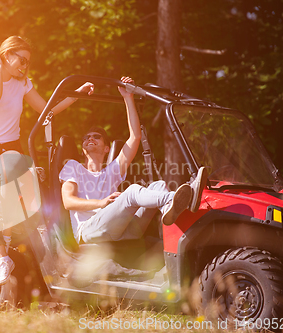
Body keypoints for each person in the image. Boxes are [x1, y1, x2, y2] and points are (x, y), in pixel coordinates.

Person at [0, 36, 94, 285]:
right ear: (6, 55)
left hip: (9, 149)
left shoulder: (23, 84)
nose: (24, 66)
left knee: (11, 190)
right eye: (21, 60)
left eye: (27, 62)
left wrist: (75, 95)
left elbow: (47, 110)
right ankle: (2, 258)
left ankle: (9, 238)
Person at [59, 77, 208, 245]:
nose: (90, 138)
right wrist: (101, 203)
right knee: (132, 192)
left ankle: (170, 209)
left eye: (96, 136)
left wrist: (128, 97)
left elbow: (135, 137)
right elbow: (68, 201)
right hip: (87, 230)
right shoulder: (73, 167)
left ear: (107, 148)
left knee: (158, 185)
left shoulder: (112, 170)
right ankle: (176, 199)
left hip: (122, 231)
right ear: (83, 148)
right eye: (86, 137)